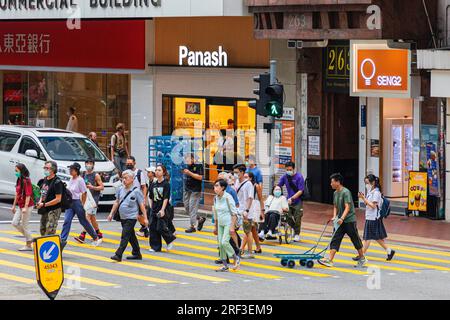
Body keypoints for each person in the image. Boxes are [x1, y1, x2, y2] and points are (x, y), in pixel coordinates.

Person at [318, 173, 368, 268]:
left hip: (349, 220)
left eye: (332, 182)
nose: (331, 184)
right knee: (335, 238)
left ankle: (362, 257)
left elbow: (347, 207)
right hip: (339, 221)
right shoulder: (335, 193)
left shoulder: (346, 192)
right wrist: (334, 216)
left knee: (355, 239)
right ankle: (330, 260)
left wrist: (342, 218)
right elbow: (335, 206)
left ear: (338, 182)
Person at [108, 170, 148, 262]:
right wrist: (111, 213)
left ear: (132, 179)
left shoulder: (136, 191)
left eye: (126, 178)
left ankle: (118, 254)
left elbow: (142, 205)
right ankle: (137, 253)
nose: (124, 180)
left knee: (125, 235)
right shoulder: (120, 189)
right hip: (123, 217)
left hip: (132, 217)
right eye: (123, 178)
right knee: (131, 236)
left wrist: (145, 218)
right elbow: (117, 202)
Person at [60, 163, 101, 249]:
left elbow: (84, 192)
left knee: (83, 221)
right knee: (67, 220)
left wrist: (83, 204)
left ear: (76, 171)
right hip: (70, 203)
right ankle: (62, 240)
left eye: (72, 169)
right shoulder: (71, 179)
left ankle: (96, 237)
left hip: (77, 202)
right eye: (70, 169)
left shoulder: (80, 180)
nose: (70, 171)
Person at [358, 174, 395, 261]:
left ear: (373, 182)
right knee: (377, 237)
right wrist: (364, 197)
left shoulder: (376, 193)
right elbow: (369, 203)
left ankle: (361, 256)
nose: (366, 185)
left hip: (373, 218)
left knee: (367, 238)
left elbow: (373, 206)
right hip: (370, 217)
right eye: (365, 183)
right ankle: (389, 251)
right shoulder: (371, 192)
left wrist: (363, 198)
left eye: (367, 183)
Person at [213, 179, 241, 272]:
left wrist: (232, 226)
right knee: (221, 245)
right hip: (220, 223)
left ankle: (236, 258)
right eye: (215, 186)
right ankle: (225, 265)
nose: (215, 188)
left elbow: (234, 213)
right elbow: (216, 213)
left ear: (223, 187)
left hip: (228, 223)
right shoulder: (216, 198)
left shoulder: (228, 197)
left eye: (217, 186)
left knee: (225, 242)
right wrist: (215, 226)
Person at [74, 160, 105, 244]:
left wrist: (92, 187)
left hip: (93, 199)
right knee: (92, 218)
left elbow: (102, 187)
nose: (88, 165)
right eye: (87, 164)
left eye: (90, 164)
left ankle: (82, 235)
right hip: (85, 198)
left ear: (93, 165)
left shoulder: (96, 175)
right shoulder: (83, 174)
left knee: (87, 216)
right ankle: (99, 233)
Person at [148, 165, 176, 252]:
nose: (157, 172)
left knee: (160, 227)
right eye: (156, 170)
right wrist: (151, 207)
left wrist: (163, 209)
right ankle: (155, 247)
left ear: (163, 173)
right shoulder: (153, 184)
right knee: (152, 227)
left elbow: (166, 198)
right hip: (154, 208)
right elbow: (150, 197)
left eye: (159, 170)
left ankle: (169, 239)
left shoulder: (166, 184)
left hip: (163, 208)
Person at [278, 161, 305, 242]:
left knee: (298, 218)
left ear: (293, 169)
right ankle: (294, 228)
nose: (288, 171)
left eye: (290, 169)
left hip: (297, 201)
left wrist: (292, 198)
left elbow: (300, 191)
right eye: (287, 169)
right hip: (288, 200)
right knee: (287, 217)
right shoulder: (284, 177)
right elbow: (279, 186)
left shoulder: (299, 177)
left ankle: (297, 234)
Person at [233, 164, 255, 259]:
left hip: (246, 211)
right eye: (234, 172)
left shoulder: (248, 184)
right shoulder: (237, 181)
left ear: (242, 172)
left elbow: (250, 198)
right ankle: (237, 249)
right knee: (232, 229)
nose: (235, 174)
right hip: (237, 210)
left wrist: (247, 210)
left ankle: (250, 252)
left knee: (247, 231)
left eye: (236, 172)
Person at [11, 163, 34, 251]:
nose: (15, 172)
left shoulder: (26, 180)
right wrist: (13, 206)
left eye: (17, 171)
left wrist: (25, 207)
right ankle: (29, 237)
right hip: (20, 206)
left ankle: (28, 245)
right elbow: (17, 194)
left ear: (21, 171)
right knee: (14, 223)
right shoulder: (19, 179)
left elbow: (28, 195)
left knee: (25, 225)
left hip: (27, 206)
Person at [37, 161, 63, 236]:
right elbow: (42, 193)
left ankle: (50, 246)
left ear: (53, 169)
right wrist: (40, 202)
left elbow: (58, 199)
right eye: (44, 168)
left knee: (50, 230)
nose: (45, 170)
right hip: (45, 208)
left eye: (47, 168)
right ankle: (44, 247)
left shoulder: (57, 182)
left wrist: (44, 204)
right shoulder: (45, 179)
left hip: (54, 209)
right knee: (42, 229)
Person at [125, 156, 149, 238]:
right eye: (127, 163)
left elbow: (144, 186)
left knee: (138, 215)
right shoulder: (125, 173)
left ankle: (145, 227)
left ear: (134, 163)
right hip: (128, 198)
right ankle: (145, 229)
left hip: (137, 197)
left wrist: (144, 198)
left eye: (130, 163)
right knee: (132, 215)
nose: (128, 165)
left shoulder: (139, 172)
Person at [183, 154, 206, 233]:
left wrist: (189, 173)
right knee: (187, 207)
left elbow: (200, 177)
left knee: (192, 207)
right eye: (185, 160)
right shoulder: (187, 166)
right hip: (187, 189)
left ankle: (192, 226)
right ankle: (200, 219)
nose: (186, 161)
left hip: (195, 190)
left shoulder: (199, 165)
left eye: (188, 159)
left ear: (193, 159)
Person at [243, 171, 264, 254]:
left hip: (254, 208)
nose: (244, 179)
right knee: (253, 229)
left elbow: (260, 198)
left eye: (246, 177)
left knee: (248, 229)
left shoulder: (256, 186)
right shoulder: (243, 186)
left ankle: (241, 249)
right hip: (246, 208)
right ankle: (258, 247)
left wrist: (262, 211)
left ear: (251, 178)